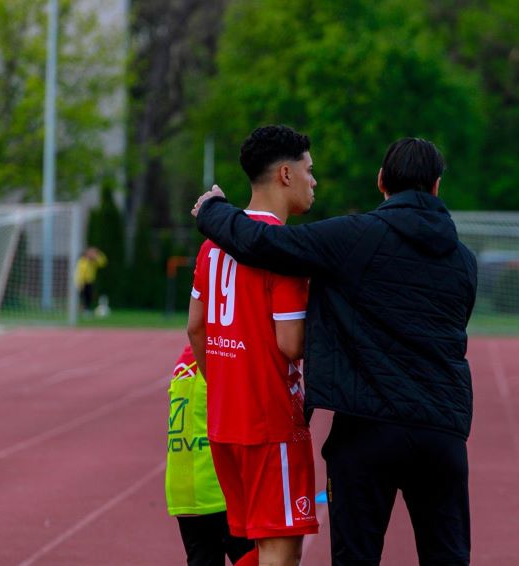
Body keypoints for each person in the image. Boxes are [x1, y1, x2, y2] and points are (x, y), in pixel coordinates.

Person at [192, 138, 477, 565]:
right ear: (437, 186)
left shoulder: (353, 237)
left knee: (354, 558)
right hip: (441, 430)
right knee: (448, 558)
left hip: (366, 427)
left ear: (381, 181)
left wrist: (212, 210)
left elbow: (264, 244)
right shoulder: (464, 260)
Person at [187, 125, 319, 566]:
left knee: (255, 547)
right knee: (280, 549)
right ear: (286, 174)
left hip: (225, 421)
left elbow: (195, 327)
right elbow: (291, 343)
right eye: (308, 170)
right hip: (271, 423)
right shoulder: (284, 251)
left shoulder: (211, 246)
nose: (313, 181)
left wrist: (226, 385)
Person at [165, 344, 255, 566]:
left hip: (183, 489)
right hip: (219, 487)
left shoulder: (186, 357)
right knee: (267, 556)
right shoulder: (225, 354)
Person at [74, 246, 107, 315]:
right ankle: (82, 310)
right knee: (83, 297)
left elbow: (103, 262)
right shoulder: (82, 261)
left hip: (90, 281)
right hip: (82, 282)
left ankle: (86, 309)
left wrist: (98, 254)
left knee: (89, 296)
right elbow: (79, 272)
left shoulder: (93, 262)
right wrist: (79, 282)